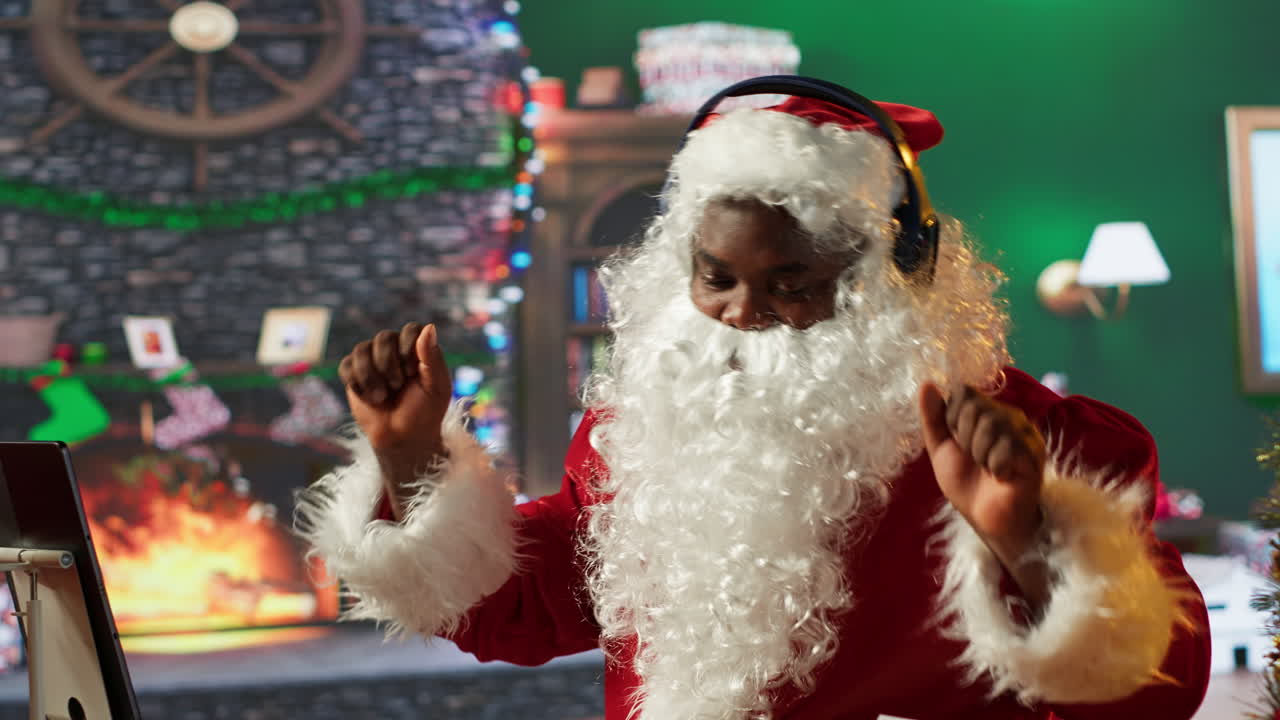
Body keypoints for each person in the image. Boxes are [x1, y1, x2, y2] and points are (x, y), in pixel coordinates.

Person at [297, 79, 1211, 720]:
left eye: (791, 280)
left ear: (890, 275)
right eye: (716, 275)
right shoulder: (645, 423)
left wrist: (1028, 540)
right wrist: (413, 463)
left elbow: (1154, 692)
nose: (744, 314)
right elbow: (530, 608)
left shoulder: (1027, 439)